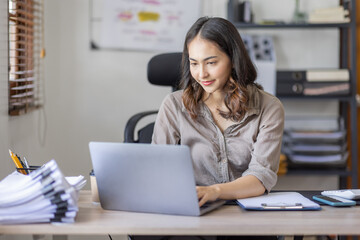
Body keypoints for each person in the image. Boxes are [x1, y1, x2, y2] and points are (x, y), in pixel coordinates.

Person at [152, 16, 284, 210]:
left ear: (233, 59)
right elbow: (157, 168)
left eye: (211, 62)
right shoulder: (173, 105)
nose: (201, 74)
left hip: (246, 214)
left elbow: (260, 177)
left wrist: (215, 191)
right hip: (191, 208)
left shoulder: (269, 108)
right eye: (194, 63)